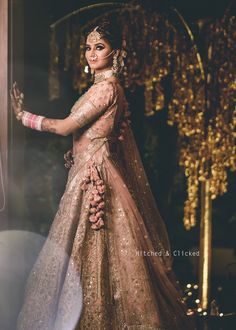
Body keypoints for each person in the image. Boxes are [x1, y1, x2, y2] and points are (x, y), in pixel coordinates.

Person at [11, 20, 195, 330]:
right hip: (88, 174)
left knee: (101, 250)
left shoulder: (106, 89)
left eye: (100, 47)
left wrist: (22, 117)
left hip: (95, 181)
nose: (91, 53)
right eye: (87, 47)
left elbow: (65, 127)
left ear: (116, 53)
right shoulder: (102, 88)